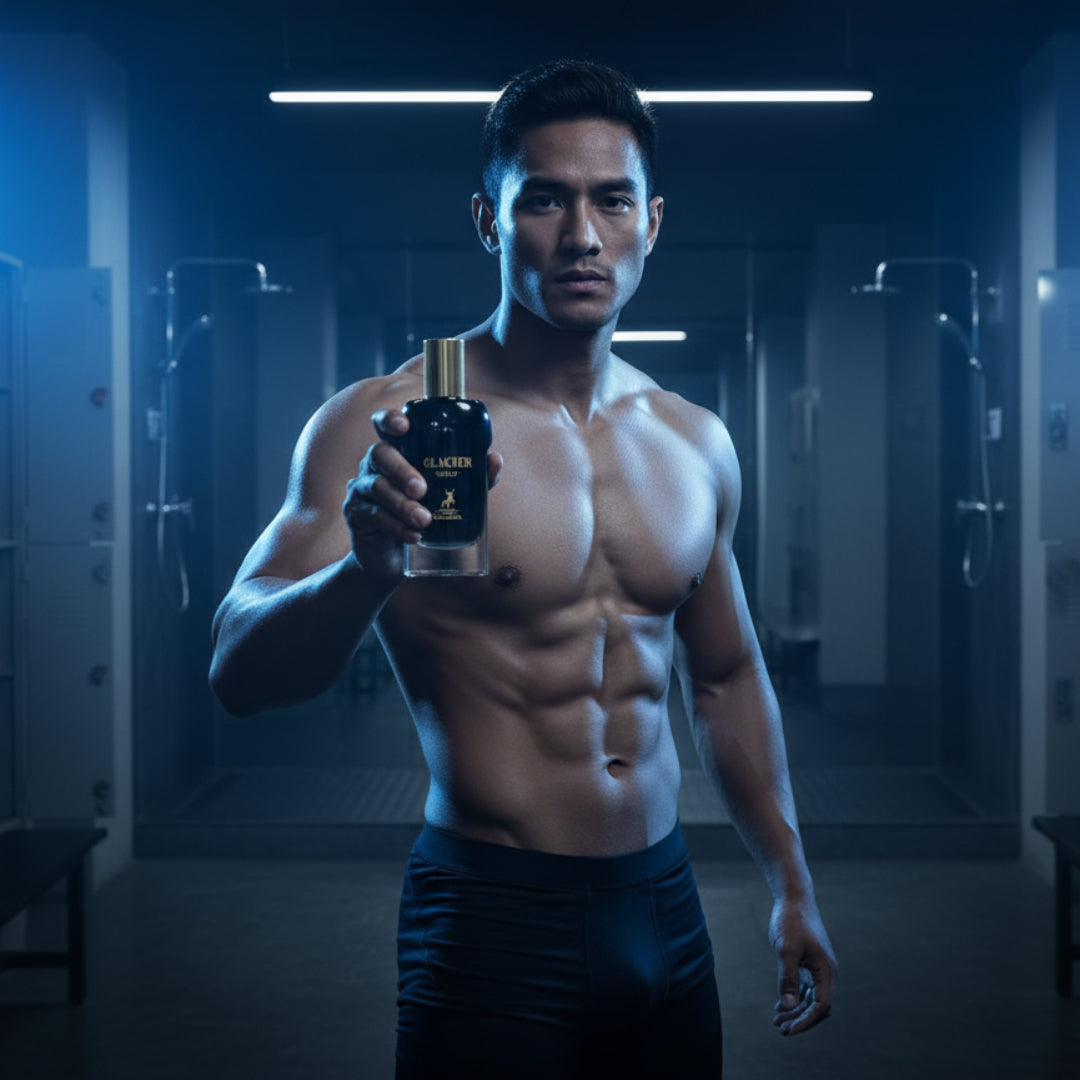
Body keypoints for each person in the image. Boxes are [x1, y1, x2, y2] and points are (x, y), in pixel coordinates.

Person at [209, 58, 837, 1079]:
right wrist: (366, 569)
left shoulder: (694, 441)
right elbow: (236, 672)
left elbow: (723, 678)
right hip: (492, 922)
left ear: (652, 220)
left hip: (666, 911)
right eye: (544, 198)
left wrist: (794, 883)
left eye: (611, 200)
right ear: (489, 221)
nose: (582, 235)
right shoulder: (391, 418)